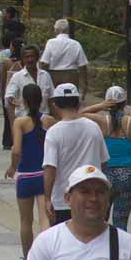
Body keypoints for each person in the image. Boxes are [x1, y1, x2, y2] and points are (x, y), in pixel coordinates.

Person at [22, 165, 131, 260]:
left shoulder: (128, 244)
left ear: (108, 199)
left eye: (100, 192)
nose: (93, 198)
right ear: (68, 198)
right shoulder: (47, 242)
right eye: (85, 192)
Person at [80, 86, 131, 231]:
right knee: (121, 221)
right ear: (125, 103)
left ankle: (101, 242)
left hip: (105, 177)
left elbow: (79, 114)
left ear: (107, 104)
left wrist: (100, 106)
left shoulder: (102, 122)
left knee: (100, 219)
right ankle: (119, 244)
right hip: (129, 177)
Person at [5, 84, 56, 260]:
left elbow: (16, 150)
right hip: (44, 175)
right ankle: (46, 258)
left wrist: (12, 167)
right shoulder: (50, 121)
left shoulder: (19, 122)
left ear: (24, 101)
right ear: (42, 100)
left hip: (25, 176)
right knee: (45, 219)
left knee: (25, 221)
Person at [42, 83, 109, 225]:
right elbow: (104, 162)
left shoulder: (53, 132)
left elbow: (50, 168)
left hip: (63, 200)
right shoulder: (93, 127)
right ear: (78, 103)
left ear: (55, 105)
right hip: (92, 199)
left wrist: (47, 199)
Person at [5, 44, 55, 127]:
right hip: (24, 121)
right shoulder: (17, 77)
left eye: (32, 56)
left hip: (44, 121)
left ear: (37, 58)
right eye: (27, 57)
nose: (30, 59)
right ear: (22, 59)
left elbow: (51, 99)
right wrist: (13, 125)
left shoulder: (46, 75)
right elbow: (9, 100)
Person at [40, 19, 90, 92]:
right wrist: (84, 84)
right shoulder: (76, 44)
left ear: (56, 30)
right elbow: (82, 66)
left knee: (55, 96)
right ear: (68, 30)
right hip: (71, 77)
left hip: (54, 78)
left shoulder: (51, 42)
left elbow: (44, 63)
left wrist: (41, 79)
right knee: (71, 97)